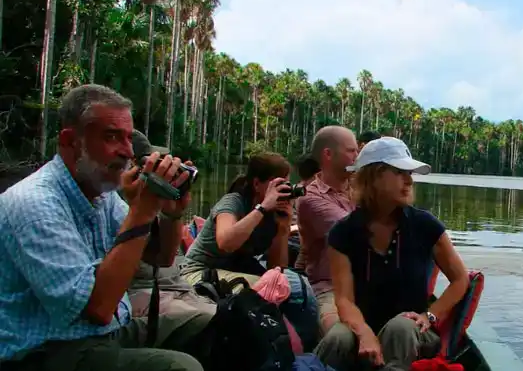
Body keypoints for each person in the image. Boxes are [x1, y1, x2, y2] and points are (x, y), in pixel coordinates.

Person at [0, 84, 205, 371]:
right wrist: (143, 207)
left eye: (128, 137)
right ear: (70, 140)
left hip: (94, 340)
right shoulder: (33, 203)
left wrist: (171, 213)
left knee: (213, 330)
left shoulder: (100, 194)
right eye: (111, 136)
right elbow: (96, 307)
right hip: (41, 362)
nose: (126, 150)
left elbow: (160, 258)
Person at [315, 137, 470, 371]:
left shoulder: (425, 226)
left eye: (409, 174)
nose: (408, 181)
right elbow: (345, 300)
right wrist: (364, 333)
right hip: (363, 327)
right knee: (338, 337)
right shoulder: (343, 233)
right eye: (399, 173)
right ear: (373, 177)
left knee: (400, 326)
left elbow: (460, 279)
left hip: (414, 334)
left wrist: (430, 316)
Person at [127, 130, 216, 327]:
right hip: (141, 292)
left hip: (175, 287)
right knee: (218, 323)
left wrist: (173, 212)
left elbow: (164, 259)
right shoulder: (111, 200)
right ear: (132, 164)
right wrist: (140, 208)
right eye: (151, 163)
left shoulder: (148, 198)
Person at [181, 152, 294, 287]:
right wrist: (262, 208)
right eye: (277, 184)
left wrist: (283, 228)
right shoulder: (233, 202)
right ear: (257, 184)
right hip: (199, 271)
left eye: (286, 184)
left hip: (233, 272)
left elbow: (276, 269)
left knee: (282, 286)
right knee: (264, 287)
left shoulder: (273, 214)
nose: (282, 189)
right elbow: (226, 243)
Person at [295, 126, 358, 334]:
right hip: (329, 287)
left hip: (365, 283)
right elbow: (354, 231)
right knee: (339, 335)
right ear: (328, 155)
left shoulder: (358, 189)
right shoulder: (310, 198)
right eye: (351, 151)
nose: (357, 157)